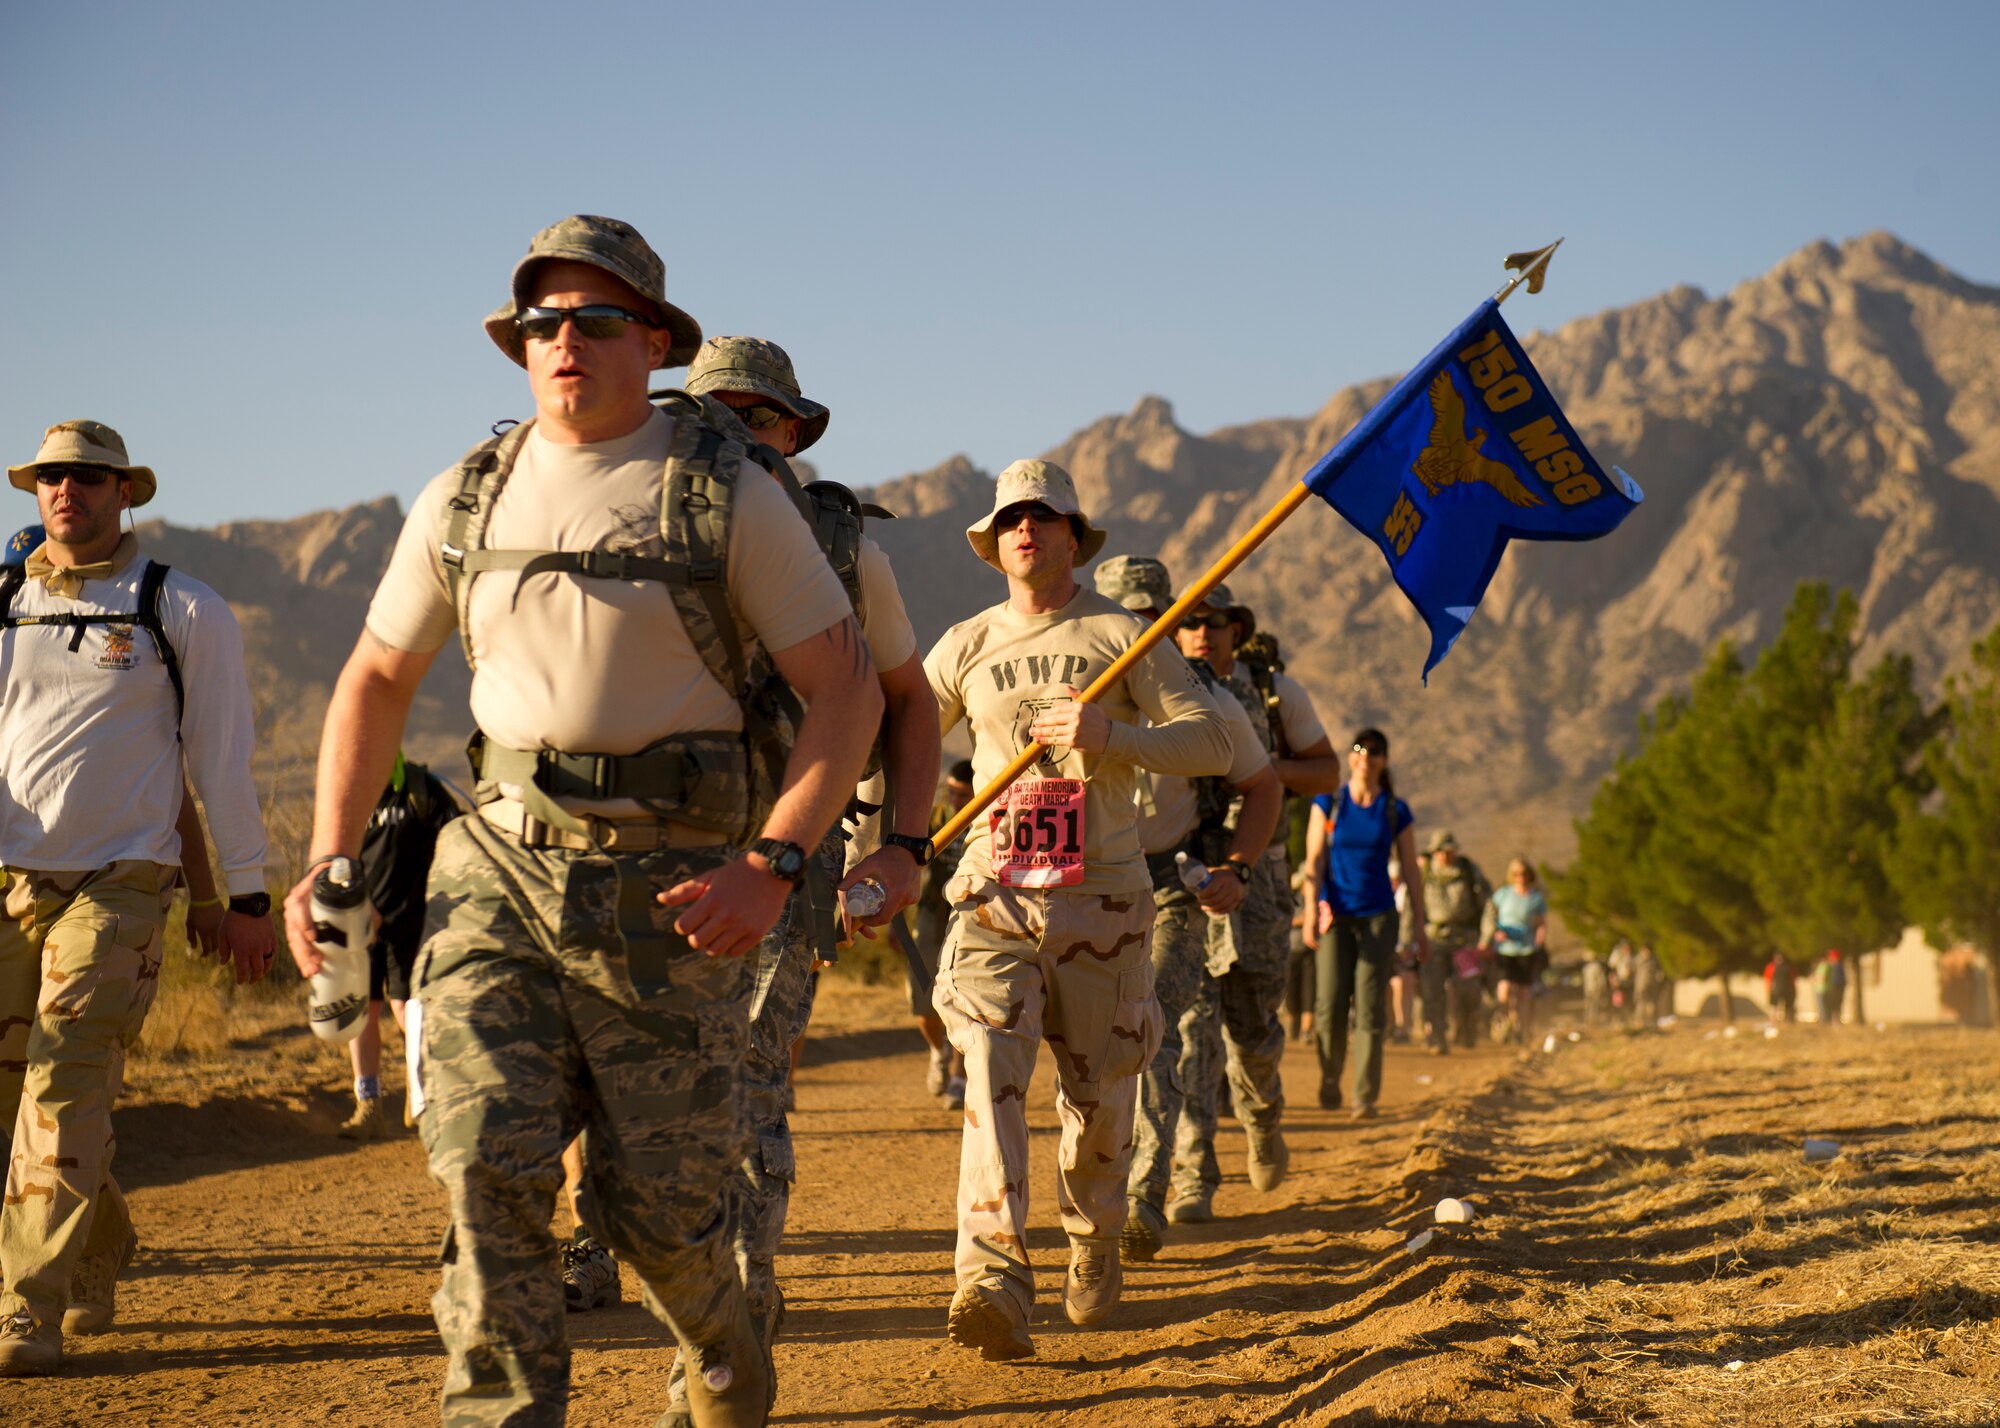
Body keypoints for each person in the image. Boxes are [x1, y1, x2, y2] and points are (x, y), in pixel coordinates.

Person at [282, 215, 882, 1427]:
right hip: (493, 867)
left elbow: (847, 694)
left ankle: (718, 1348)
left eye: (596, 320)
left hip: (673, 890)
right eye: (542, 324)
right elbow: (375, 681)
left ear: (651, 340)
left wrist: (774, 863)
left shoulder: (726, 497)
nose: (565, 342)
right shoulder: (467, 494)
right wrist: (328, 860)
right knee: (481, 1171)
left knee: (657, 1210)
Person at [648, 335, 938, 1421]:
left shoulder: (839, 547)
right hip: (641, 863)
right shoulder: (643, 517)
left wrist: (902, 844)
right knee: (648, 1124)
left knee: (743, 1097)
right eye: (713, 413)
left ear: (791, 433)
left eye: (756, 419)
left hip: (786, 861)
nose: (733, 435)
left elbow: (909, 700)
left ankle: (722, 1357)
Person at [924, 462, 1229, 1360]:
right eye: (1011, 517)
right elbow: (905, 731)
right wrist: (883, 847)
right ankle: (991, 1277)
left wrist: (1113, 736)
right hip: (994, 890)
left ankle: (1093, 1241)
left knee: (1098, 1107)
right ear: (994, 540)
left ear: (1071, 534)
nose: (1025, 528)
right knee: (987, 1075)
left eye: (1042, 516)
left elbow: (1212, 742)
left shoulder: (1123, 635)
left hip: (1104, 901)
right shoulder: (966, 642)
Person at [0, 420, 275, 1376]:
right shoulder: (2, 604)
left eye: (86, 477)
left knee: (65, 1077)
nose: (64, 491)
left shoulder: (180, 607)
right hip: (9, 880)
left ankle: (23, 1307)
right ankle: (101, 1239)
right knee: (14, 1102)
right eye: (49, 478)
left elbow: (220, 763)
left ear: (127, 494)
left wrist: (243, 895)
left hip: (121, 884)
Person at [1090, 556, 1279, 1265]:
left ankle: (1143, 1195)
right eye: (1122, 615)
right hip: (1079, 886)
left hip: (1170, 885)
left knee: (1155, 1024)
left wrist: (1238, 866)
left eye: (1151, 617)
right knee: (1085, 1043)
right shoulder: (1060, 688)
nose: (1136, 630)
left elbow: (1263, 787)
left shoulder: (1204, 698)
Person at [1164, 582, 1337, 1224]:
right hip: (1188, 880)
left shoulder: (1274, 694)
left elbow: (1326, 773)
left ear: (1238, 630)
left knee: (1254, 1030)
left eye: (1216, 622)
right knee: (1190, 1033)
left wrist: (1261, 768)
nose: (1203, 632)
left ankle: (1262, 1117)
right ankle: (1192, 1177)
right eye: (1191, 623)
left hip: (1259, 883)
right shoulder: (1165, 692)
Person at [337, 752, 460, 1141]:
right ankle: (368, 1106)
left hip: (414, 925)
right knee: (361, 1014)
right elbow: (332, 860)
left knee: (410, 1013)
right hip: (359, 925)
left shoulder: (423, 790)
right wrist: (355, 902)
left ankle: (421, 1094)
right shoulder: (347, 798)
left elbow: (457, 844)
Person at [1304, 728, 1426, 1117]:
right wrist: (1310, 912)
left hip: (1378, 916)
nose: (1365, 756)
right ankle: (1329, 1076)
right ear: (1350, 756)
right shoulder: (1329, 803)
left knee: (1371, 1006)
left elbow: (1410, 868)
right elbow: (1314, 862)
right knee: (1330, 1003)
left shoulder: (1395, 810)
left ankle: (1364, 1095)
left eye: (1374, 751)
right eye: (1359, 749)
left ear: (1384, 760)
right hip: (1335, 916)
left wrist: (1419, 927)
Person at [914, 761, 974, 1107]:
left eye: (962, 794)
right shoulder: (933, 818)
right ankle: (938, 1052)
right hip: (930, 918)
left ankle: (958, 1077)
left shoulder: (989, 817)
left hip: (971, 919)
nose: (954, 799)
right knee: (924, 1005)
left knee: (966, 1001)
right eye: (950, 791)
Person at [1420, 830, 1490, 1053]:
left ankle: (1467, 1029)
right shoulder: (1424, 874)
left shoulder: (1469, 871)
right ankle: (1439, 1036)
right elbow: (1413, 907)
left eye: (1450, 851)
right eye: (1441, 851)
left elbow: (1488, 905)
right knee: (1433, 990)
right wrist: (1410, 938)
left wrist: (1486, 937)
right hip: (1434, 939)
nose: (1445, 856)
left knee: (1468, 989)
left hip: (1465, 940)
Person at [1482, 858, 1549, 1044]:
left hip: (1526, 949)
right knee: (1504, 988)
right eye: (1517, 874)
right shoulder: (1503, 894)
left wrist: (1539, 941)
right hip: (1504, 949)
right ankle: (1505, 1024)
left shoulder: (1536, 898)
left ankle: (1521, 1029)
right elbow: (1490, 914)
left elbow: (1542, 923)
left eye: (1524, 873)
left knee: (1524, 992)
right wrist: (1492, 934)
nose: (1521, 877)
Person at [1814, 949, 1845, 1026]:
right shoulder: (1835, 966)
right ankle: (1833, 1021)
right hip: (1833, 988)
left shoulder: (1835, 966)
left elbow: (1836, 979)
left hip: (1835, 989)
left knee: (1833, 1006)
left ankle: (1833, 1021)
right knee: (1832, 1006)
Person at [1764, 955, 1798, 1025]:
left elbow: (1767, 979)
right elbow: (1793, 979)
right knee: (1785, 1006)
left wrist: (1769, 989)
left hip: (1779, 989)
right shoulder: (1788, 967)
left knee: (1776, 1006)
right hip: (1784, 989)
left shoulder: (1772, 966)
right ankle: (1786, 1021)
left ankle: (1775, 1021)